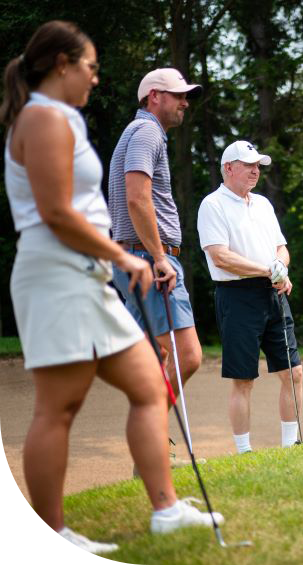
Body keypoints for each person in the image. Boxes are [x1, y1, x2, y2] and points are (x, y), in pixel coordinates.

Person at [1, 20, 222, 560]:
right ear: (61, 64)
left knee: (150, 386)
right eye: (91, 67)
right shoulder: (44, 119)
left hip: (89, 273)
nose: (96, 79)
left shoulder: (61, 119)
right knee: (59, 408)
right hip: (57, 274)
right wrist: (133, 256)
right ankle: (50, 537)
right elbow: (55, 213)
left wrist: (116, 258)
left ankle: (167, 510)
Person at [107, 66, 203, 416]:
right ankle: (150, 439)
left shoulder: (141, 132)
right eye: (179, 96)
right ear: (154, 97)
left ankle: (149, 454)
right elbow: (137, 197)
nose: (185, 104)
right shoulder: (147, 132)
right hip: (148, 259)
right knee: (188, 355)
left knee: (156, 358)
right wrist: (159, 256)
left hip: (136, 257)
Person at [197, 140, 303, 454]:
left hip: (272, 293)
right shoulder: (212, 205)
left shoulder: (262, 204)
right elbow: (221, 257)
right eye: (249, 165)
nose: (256, 171)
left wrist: (280, 268)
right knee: (244, 379)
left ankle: (291, 447)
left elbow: (281, 249)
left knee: (293, 372)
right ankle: (244, 452)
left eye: (258, 166)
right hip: (237, 296)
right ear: (229, 168)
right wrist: (268, 270)